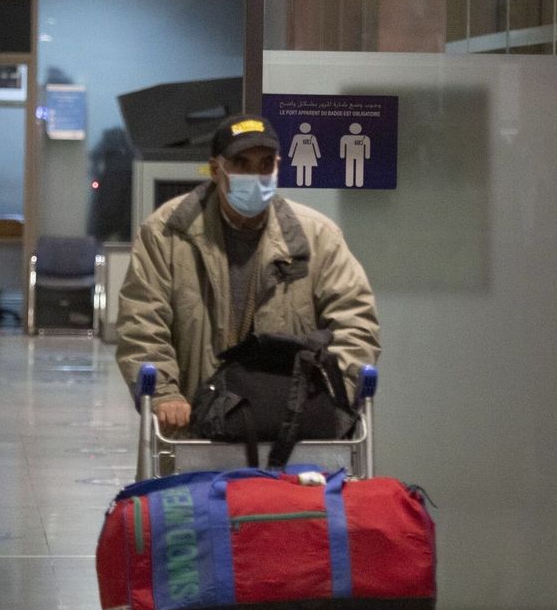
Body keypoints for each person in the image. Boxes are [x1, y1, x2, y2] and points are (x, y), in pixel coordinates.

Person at [115, 114, 380, 431]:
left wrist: (327, 393)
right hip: (193, 427)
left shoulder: (317, 238)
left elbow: (355, 320)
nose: (256, 175)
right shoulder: (168, 233)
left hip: (286, 428)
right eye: (241, 163)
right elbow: (142, 321)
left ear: (278, 166)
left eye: (266, 163)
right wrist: (163, 393)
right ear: (217, 170)